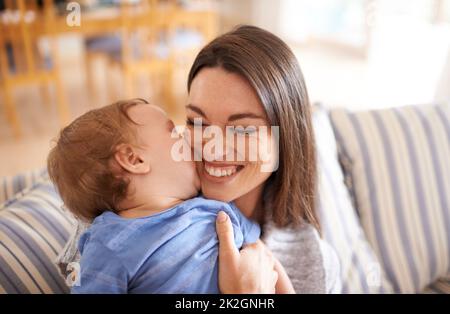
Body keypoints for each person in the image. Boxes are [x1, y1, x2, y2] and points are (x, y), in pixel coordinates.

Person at [48, 98, 295, 293]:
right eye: (172, 131)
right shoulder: (108, 246)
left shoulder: (215, 209)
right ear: (134, 159)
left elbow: (265, 259)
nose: (187, 136)